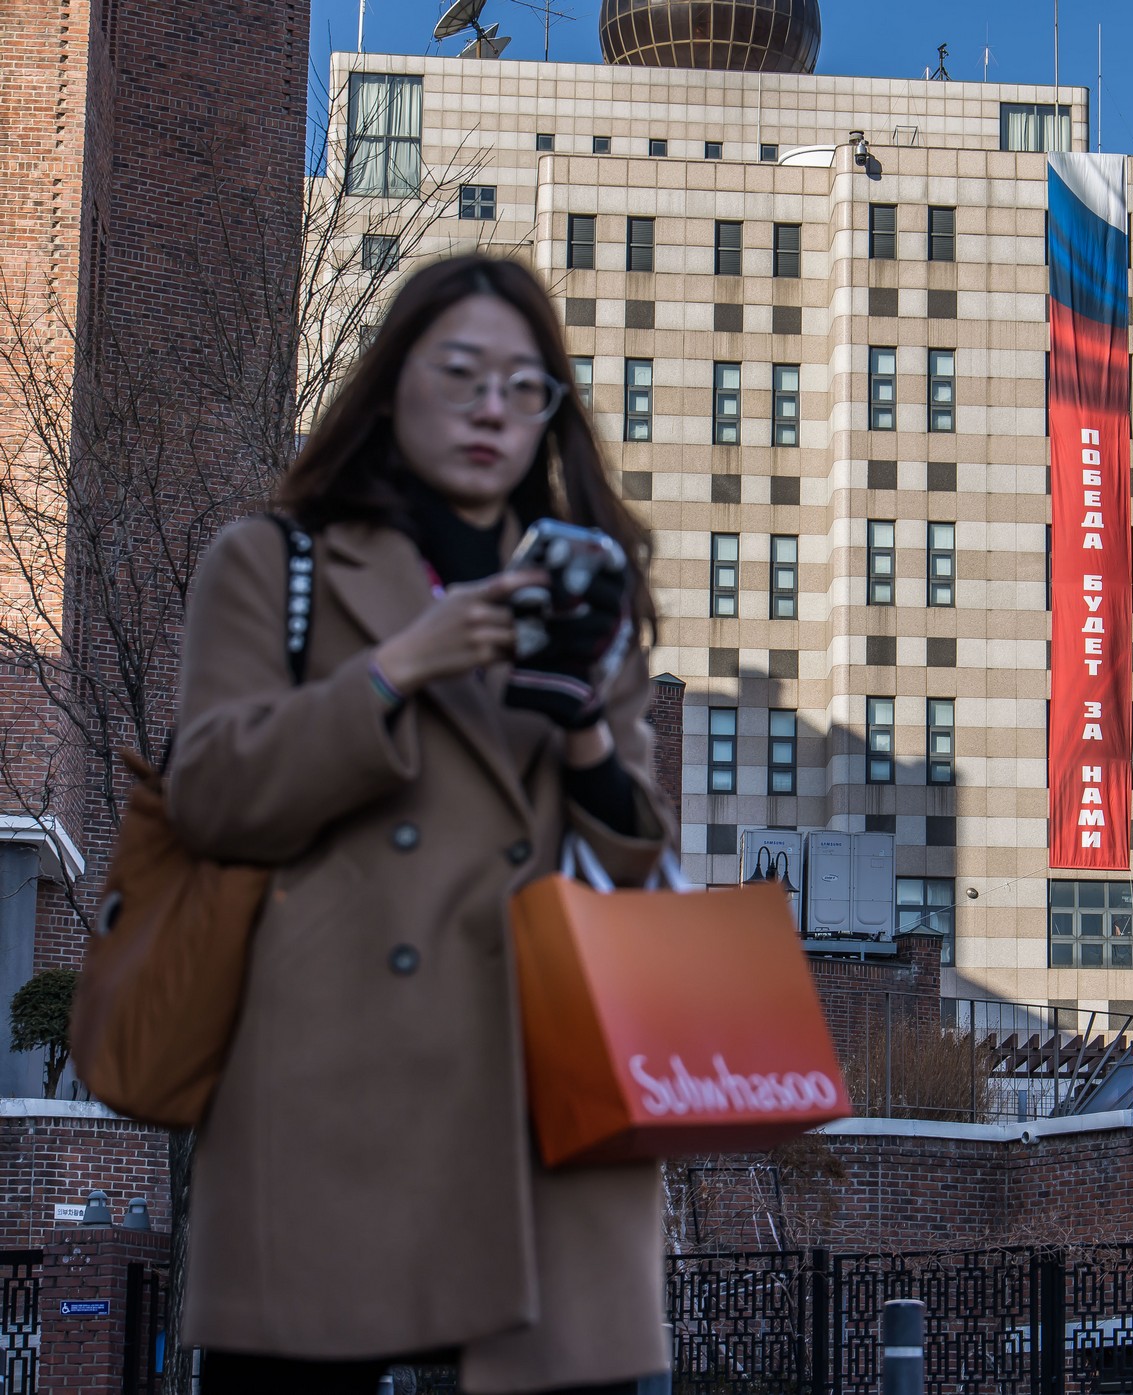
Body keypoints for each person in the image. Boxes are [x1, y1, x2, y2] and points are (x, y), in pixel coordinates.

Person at [167, 255, 675, 1394]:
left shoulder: (584, 591)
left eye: (525, 385)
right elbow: (209, 794)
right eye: (459, 374)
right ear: (392, 385)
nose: (492, 408)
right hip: (327, 1096)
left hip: (545, 1100)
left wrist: (584, 721)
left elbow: (640, 860)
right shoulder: (274, 563)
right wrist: (397, 672)